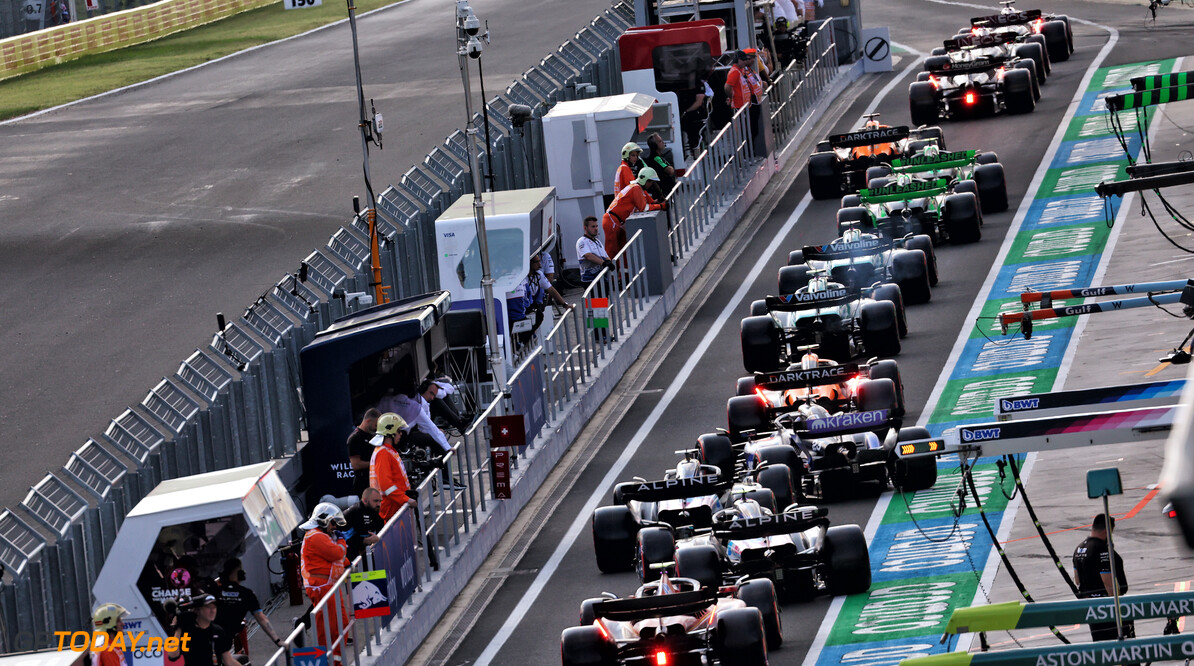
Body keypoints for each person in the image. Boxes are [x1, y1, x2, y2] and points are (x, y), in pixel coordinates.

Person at [1073, 514, 1134, 641]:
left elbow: (1077, 580)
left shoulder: (1079, 548)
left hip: (1091, 607)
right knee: (1122, 646)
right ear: (1107, 531)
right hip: (1106, 607)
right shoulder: (1101, 549)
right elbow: (1108, 582)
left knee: (1100, 644)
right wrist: (1118, 606)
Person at [215, 558, 285, 657]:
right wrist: (278, 641)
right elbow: (261, 617)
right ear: (238, 571)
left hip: (209, 640)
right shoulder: (246, 594)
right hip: (222, 643)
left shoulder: (214, 591)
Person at [508, 254, 572, 348]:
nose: (540, 264)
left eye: (539, 261)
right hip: (520, 305)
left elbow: (551, 290)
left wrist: (565, 304)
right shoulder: (520, 276)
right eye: (537, 262)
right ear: (529, 264)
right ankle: (520, 342)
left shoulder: (539, 275)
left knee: (538, 316)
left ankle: (523, 341)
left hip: (531, 304)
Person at [602, 167, 665, 259]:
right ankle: (610, 273)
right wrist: (661, 206)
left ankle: (622, 273)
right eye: (651, 181)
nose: (651, 184)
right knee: (612, 251)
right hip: (612, 220)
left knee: (623, 251)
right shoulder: (636, 188)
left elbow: (644, 204)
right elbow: (644, 208)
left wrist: (655, 204)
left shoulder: (636, 188)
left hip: (616, 221)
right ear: (645, 180)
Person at [166, 594, 239, 666]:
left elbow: (229, 661)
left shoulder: (218, 631)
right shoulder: (187, 632)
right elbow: (173, 655)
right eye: (208, 607)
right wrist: (179, 627)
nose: (212, 611)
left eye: (214, 607)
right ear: (197, 610)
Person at [369, 414, 417, 521]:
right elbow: (386, 486)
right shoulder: (384, 453)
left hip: (394, 507)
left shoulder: (387, 451)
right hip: (392, 509)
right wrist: (406, 499)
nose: (400, 434)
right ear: (390, 432)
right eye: (399, 431)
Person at [725, 49, 766, 154]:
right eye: (743, 60)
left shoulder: (741, 70)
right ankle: (745, 155)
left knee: (751, 130)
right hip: (739, 106)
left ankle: (749, 153)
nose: (745, 62)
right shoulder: (735, 72)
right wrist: (731, 97)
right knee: (745, 133)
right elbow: (727, 87)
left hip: (747, 105)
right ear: (738, 60)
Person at [342, 487, 384, 561]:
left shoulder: (373, 512)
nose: (378, 504)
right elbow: (343, 537)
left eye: (380, 501)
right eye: (375, 501)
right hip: (348, 557)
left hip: (361, 554)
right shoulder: (356, 513)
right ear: (365, 501)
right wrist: (365, 541)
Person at [347, 408, 381, 497]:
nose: (376, 428)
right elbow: (356, 464)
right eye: (375, 425)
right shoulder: (355, 439)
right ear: (368, 421)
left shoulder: (372, 436)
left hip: (374, 480)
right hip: (363, 483)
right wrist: (376, 463)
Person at [576, 216, 614, 288]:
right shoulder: (581, 241)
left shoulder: (597, 241)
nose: (596, 229)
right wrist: (604, 263)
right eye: (593, 226)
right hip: (590, 280)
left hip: (602, 279)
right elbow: (588, 256)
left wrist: (609, 262)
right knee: (595, 299)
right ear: (585, 228)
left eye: (597, 226)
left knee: (604, 298)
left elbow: (605, 256)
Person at [646, 132, 677, 197]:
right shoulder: (656, 158)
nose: (663, 142)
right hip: (663, 193)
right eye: (660, 141)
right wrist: (671, 168)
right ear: (654, 145)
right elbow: (670, 171)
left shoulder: (659, 157)